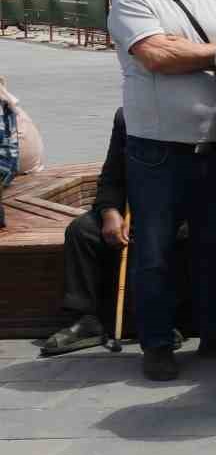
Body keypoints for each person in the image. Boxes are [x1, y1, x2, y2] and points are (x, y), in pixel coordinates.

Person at [108, 0, 216, 382]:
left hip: (215, 146)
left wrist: (203, 52)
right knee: (154, 253)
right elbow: (156, 56)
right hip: (157, 150)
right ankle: (157, 342)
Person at [39, 111, 129, 357]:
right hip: (131, 207)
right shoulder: (127, 116)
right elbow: (112, 176)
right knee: (83, 230)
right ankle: (85, 318)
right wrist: (110, 211)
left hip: (177, 207)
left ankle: (166, 318)